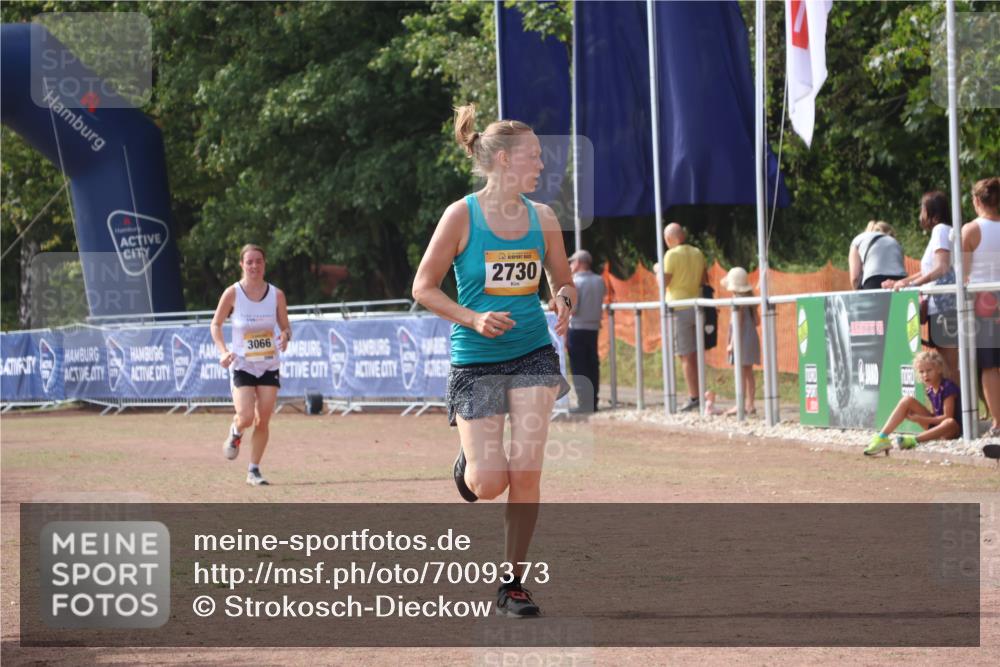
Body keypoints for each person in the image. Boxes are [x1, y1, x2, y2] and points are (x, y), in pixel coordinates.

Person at [411, 104, 573, 617]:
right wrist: (473, 318)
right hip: (477, 360)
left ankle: (512, 583)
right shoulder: (461, 215)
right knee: (490, 483)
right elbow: (423, 287)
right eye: (533, 157)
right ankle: (469, 467)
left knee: (527, 470)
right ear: (503, 160)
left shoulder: (543, 218)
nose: (541, 166)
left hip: (532, 353)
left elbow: (562, 279)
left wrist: (564, 299)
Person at [210, 244, 290, 486]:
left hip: (268, 364)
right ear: (242, 265)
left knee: (263, 419)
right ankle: (236, 433)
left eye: (258, 261)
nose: (254, 266)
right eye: (249, 262)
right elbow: (215, 324)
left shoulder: (276, 295)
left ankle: (253, 470)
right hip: (242, 365)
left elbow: (286, 327)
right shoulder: (232, 293)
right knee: (245, 417)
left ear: (264, 264)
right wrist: (223, 351)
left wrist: (285, 336)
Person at [885, 192, 958, 380]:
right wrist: (904, 282)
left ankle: (957, 409)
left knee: (950, 365)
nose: (920, 214)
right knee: (947, 363)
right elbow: (930, 269)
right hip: (941, 306)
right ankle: (955, 407)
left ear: (931, 212)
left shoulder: (940, 230)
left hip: (945, 306)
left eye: (922, 209)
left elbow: (941, 267)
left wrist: (913, 285)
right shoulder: (941, 231)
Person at [864, 350, 960, 455]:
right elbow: (936, 415)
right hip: (937, 427)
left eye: (929, 370)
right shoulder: (930, 389)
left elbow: (947, 417)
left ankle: (914, 440)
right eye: (921, 372)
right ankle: (882, 437)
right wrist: (918, 417)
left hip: (951, 430)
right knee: (907, 400)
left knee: (949, 422)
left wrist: (920, 419)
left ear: (939, 369)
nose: (925, 375)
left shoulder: (947, 387)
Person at [961, 176, 1000, 437]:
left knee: (989, 365)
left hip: (983, 301)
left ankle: (998, 423)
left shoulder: (971, 230)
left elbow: (962, 274)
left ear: (976, 201)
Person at [656, 223, 707, 412]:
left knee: (685, 355)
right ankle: (700, 393)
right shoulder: (697, 252)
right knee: (697, 353)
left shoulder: (671, 255)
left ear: (669, 239)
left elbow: (663, 283)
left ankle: (695, 396)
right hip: (698, 306)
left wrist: (656, 271)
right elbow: (703, 279)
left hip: (678, 308)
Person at [567, 249, 606, 413]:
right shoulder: (599, 280)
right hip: (594, 328)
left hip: (577, 328)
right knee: (592, 365)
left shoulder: (575, 282)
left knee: (579, 367)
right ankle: (594, 402)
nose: (570, 265)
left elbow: (573, 309)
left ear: (579, 263)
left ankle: (584, 403)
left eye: (572, 262)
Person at [721, 267, 759, 417]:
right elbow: (756, 322)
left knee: (740, 373)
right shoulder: (750, 301)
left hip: (740, 340)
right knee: (748, 373)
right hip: (751, 338)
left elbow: (738, 325)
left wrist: (731, 344)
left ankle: (740, 405)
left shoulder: (737, 302)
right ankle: (750, 404)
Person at [849, 220, 906, 290]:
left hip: (873, 281)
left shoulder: (858, 239)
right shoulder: (895, 242)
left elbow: (855, 278)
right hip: (901, 281)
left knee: (875, 301)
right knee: (901, 301)